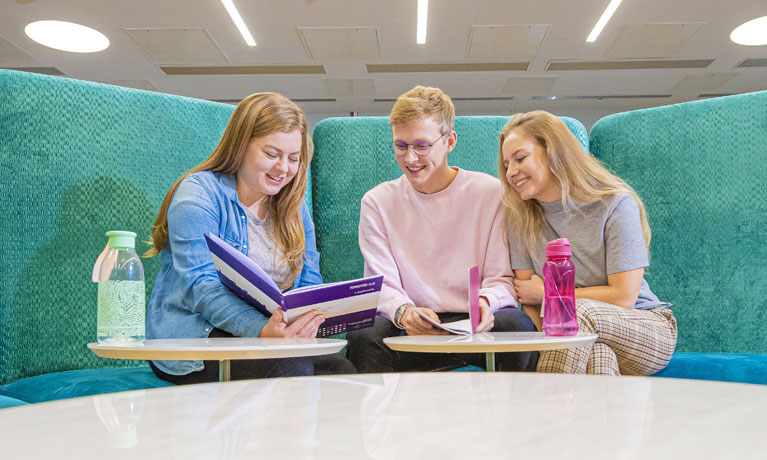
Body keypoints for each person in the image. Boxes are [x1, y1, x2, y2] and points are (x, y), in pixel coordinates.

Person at [144, 92, 355, 384]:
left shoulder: (294, 205)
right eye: (272, 154)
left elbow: (308, 282)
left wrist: (304, 323)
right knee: (289, 371)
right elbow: (200, 287)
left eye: (293, 158)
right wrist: (261, 329)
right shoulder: (198, 194)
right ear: (241, 146)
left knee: (344, 375)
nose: (284, 169)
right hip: (195, 338)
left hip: (272, 337)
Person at [346, 86, 538, 373]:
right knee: (364, 333)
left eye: (422, 145)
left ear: (449, 141)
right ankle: (380, 418)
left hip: (475, 322)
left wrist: (486, 304)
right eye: (401, 145)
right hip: (412, 321)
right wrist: (405, 314)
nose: (410, 159)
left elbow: (500, 279)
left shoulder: (490, 193)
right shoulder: (377, 202)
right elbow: (382, 285)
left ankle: (516, 416)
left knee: (518, 325)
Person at [499, 110, 677, 375]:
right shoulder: (520, 218)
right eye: (506, 164)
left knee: (577, 311)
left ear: (553, 152)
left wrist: (548, 292)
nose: (511, 172)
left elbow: (623, 296)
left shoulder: (616, 203)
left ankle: (541, 414)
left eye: (520, 158)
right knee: (599, 359)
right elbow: (530, 303)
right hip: (576, 337)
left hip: (645, 326)